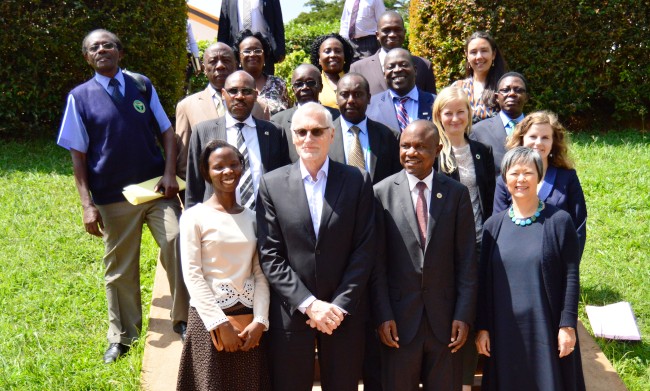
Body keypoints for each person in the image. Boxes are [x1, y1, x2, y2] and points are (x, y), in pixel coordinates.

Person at [56, 29, 189, 363]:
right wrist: (87, 205)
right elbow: (78, 156)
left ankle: (185, 319)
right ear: (87, 57)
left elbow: (167, 132)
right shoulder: (80, 97)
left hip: (156, 189)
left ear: (120, 51)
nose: (102, 49)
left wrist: (171, 173)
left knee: (177, 242)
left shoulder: (141, 85)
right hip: (113, 197)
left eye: (109, 45)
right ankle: (122, 336)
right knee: (120, 269)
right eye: (94, 47)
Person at [256, 102, 375, 391]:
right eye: (301, 132)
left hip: (342, 316)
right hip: (292, 314)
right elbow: (270, 254)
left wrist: (338, 307)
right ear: (293, 136)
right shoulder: (271, 184)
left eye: (316, 131)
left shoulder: (356, 180)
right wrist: (309, 305)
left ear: (331, 135)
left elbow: (365, 248)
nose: (308, 138)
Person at [372, 120, 477, 390]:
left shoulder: (456, 194)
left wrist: (463, 315)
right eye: (405, 146)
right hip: (398, 323)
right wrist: (383, 315)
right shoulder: (380, 193)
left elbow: (466, 261)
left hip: (445, 325)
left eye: (420, 146)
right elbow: (377, 264)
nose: (411, 152)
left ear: (438, 149)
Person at [476, 146, 585, 391]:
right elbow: (484, 282)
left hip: (545, 329)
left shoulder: (559, 221)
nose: (521, 179)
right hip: (504, 330)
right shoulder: (493, 226)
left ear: (539, 177)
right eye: (514, 173)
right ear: (505, 179)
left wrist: (567, 325)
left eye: (528, 173)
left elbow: (571, 276)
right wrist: (482, 327)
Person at [177, 140, 270, 390]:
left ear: (242, 167)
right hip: (210, 324)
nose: (228, 171)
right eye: (218, 167)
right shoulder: (193, 217)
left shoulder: (253, 218)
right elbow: (193, 275)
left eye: (233, 164)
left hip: (248, 326)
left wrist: (260, 321)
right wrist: (219, 324)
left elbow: (260, 275)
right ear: (207, 173)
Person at [432, 86, 495, 390]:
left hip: (481, 243)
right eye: (448, 112)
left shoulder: (483, 151)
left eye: (461, 112)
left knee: (475, 309)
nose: (455, 118)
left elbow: (489, 197)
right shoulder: (432, 154)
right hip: (448, 250)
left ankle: (468, 379)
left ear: (469, 115)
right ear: (438, 116)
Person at [185, 71, 290, 209]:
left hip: (266, 219)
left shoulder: (274, 132)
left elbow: (283, 181)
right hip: (219, 220)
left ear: (255, 95)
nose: (239, 96)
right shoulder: (202, 132)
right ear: (223, 94)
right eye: (233, 91)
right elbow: (194, 186)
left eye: (246, 91)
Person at [493, 111, 587, 256]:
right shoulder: (505, 180)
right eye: (533, 136)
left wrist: (569, 265)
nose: (538, 143)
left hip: (556, 261)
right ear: (522, 138)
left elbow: (578, 226)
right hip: (515, 258)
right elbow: (498, 226)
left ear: (553, 142)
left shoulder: (567, 178)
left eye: (545, 138)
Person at [175, 43, 237, 181]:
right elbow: (183, 162)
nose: (220, 66)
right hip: (207, 194)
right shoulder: (187, 106)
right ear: (204, 69)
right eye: (213, 61)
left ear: (236, 65)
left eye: (226, 60)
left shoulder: (257, 106)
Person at [330, 72, 400, 184]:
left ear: (368, 98)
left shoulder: (390, 136)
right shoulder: (324, 136)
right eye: (344, 94)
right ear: (336, 98)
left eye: (357, 94)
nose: (351, 100)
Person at [350, 10, 436, 95]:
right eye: (386, 30)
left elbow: (431, 105)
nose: (392, 34)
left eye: (397, 30)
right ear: (377, 35)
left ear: (404, 33)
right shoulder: (358, 69)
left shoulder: (424, 66)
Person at [270, 64, 340, 162]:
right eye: (299, 84)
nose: (305, 87)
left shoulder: (337, 117)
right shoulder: (277, 122)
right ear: (292, 89)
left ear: (320, 87)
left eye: (310, 83)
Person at [471, 71, 529, 175]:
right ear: (497, 97)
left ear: (526, 97)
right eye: (505, 90)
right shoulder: (478, 131)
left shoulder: (538, 130)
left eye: (518, 90)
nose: (512, 93)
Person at [366, 48, 436, 133]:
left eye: (404, 65)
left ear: (415, 70)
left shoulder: (435, 102)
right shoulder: (370, 106)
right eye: (391, 67)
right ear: (384, 74)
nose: (397, 70)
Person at [452, 31, 507, 124]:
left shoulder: (504, 88)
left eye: (484, 51)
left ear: (493, 54)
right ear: (467, 56)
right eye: (473, 52)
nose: (479, 57)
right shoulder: (457, 88)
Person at [233, 29, 290, 118]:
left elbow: (288, 116)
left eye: (257, 51)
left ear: (264, 56)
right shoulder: (232, 85)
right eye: (247, 51)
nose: (252, 54)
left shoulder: (278, 84)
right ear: (239, 57)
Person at [218, 0, 285, 75]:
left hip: (264, 51)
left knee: (266, 83)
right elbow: (223, 27)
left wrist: (280, 50)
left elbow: (278, 20)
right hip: (236, 53)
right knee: (240, 83)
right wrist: (221, 53)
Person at [310, 33, 355, 109]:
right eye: (327, 51)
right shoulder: (313, 84)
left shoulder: (355, 81)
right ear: (319, 59)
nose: (333, 55)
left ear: (345, 56)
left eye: (338, 51)